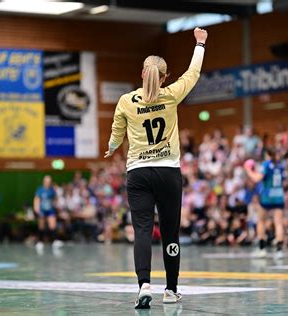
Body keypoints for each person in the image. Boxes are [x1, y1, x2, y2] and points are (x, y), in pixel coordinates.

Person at [104, 27, 208, 309]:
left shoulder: (126, 101)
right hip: (168, 173)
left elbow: (117, 132)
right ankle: (171, 290)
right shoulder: (171, 94)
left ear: (142, 74)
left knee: (142, 231)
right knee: (170, 232)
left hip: (138, 173)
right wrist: (200, 44)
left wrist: (112, 148)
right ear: (164, 77)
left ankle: (143, 285)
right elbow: (193, 73)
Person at [244, 149, 286, 259]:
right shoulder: (280, 166)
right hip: (278, 196)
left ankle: (262, 249)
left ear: (267, 155)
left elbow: (257, 178)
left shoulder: (266, 164)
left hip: (267, 197)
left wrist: (248, 170)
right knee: (278, 223)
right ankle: (279, 251)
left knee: (261, 221)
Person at [34, 175, 63, 251]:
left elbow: (55, 198)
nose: (48, 183)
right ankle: (40, 241)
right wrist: (36, 208)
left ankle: (54, 241)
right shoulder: (40, 190)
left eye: (49, 182)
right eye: (46, 182)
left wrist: (56, 203)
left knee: (52, 225)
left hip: (50, 210)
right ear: (44, 182)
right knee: (41, 226)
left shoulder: (52, 190)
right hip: (42, 210)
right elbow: (36, 199)